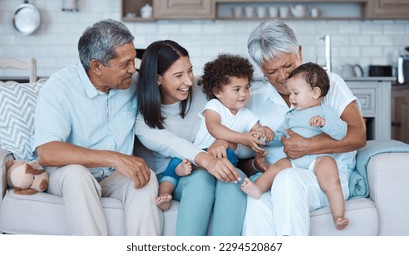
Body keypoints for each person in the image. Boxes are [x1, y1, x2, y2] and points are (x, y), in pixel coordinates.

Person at [32, 19, 163, 235]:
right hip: (68, 174)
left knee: (145, 178)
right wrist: (113, 157)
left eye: (133, 60)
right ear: (96, 66)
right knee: (77, 176)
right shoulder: (60, 87)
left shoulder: (132, 83)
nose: (133, 69)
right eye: (124, 64)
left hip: (114, 175)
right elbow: (47, 152)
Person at [241, 20, 366, 236]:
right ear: (261, 69)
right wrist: (255, 163)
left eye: (288, 66)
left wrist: (308, 146)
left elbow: (358, 135)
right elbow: (242, 156)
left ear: (299, 52)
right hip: (276, 177)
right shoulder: (255, 101)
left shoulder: (330, 84)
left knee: (287, 179)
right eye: (272, 71)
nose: (283, 77)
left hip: (325, 179)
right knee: (256, 201)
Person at [135, 40, 247, 236]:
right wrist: (208, 161)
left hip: (214, 164)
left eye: (190, 71)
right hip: (175, 176)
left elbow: (243, 123)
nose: (188, 81)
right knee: (201, 180)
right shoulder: (142, 120)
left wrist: (225, 141)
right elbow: (174, 144)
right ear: (157, 79)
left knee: (234, 179)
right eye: (178, 75)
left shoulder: (204, 90)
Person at [241, 62, 350, 230]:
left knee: (331, 177)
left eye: (295, 93)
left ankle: (339, 215)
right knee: (278, 166)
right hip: (294, 161)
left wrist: (324, 124)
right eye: (290, 93)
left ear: (315, 92)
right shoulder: (291, 116)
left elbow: (341, 131)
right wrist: (268, 136)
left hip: (318, 159)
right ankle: (258, 189)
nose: (291, 98)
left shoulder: (324, 111)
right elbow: (281, 136)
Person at [194, 53, 273, 165]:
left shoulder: (247, 115)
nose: (243, 94)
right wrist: (243, 138)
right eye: (237, 89)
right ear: (218, 91)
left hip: (226, 154)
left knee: (230, 162)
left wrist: (264, 131)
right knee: (176, 164)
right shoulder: (214, 106)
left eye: (246, 87)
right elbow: (214, 128)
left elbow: (257, 134)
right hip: (203, 152)